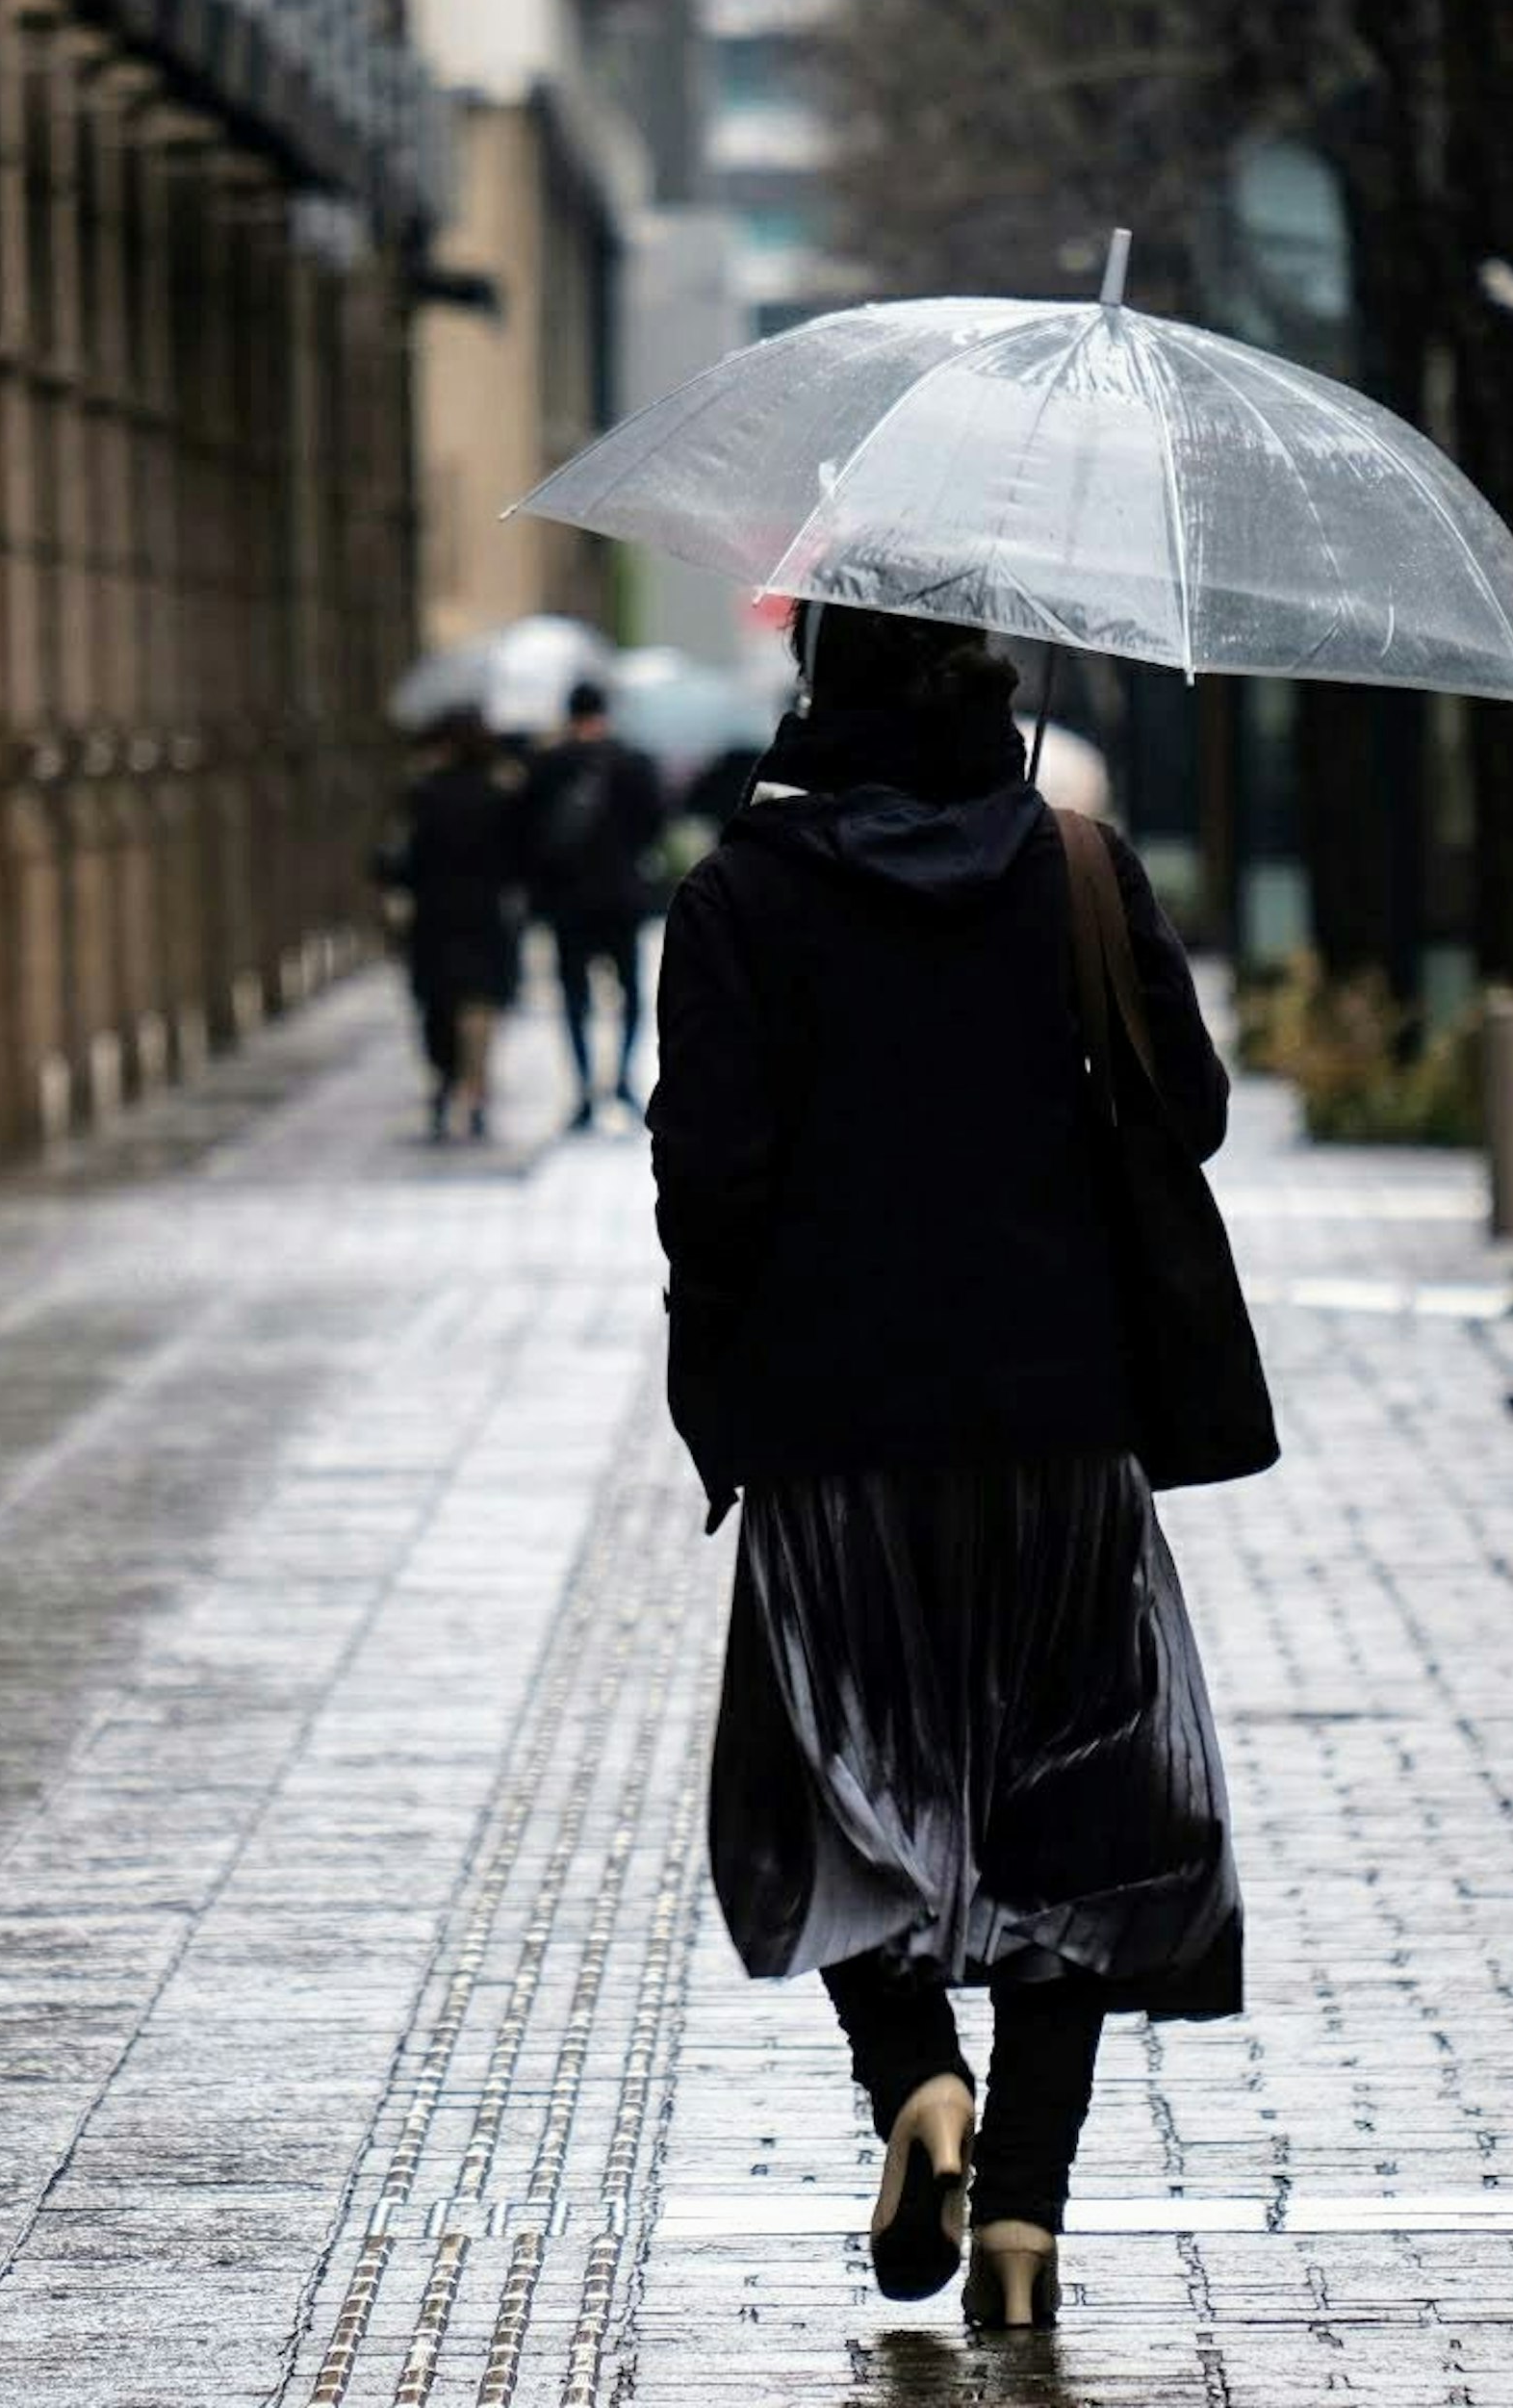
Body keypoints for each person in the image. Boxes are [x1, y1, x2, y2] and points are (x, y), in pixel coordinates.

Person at [650, 603, 1245, 2332]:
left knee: (853, 1796)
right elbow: (1189, 1111)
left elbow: (709, 1189)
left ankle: (918, 2081)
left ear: (820, 685)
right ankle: (1028, 2222)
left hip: (835, 1442)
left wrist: (736, 1381)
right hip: (1060, 1425)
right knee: (1070, 1814)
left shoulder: (740, 898)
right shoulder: (1074, 866)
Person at [526, 681, 669, 1131]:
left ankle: (586, 1088)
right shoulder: (632, 762)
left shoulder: (547, 765)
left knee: (574, 997)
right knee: (629, 993)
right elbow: (654, 822)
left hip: (568, 901)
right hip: (621, 897)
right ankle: (622, 1079)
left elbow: (527, 834)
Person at [385, 707, 528, 1142]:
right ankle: (476, 1083)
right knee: (480, 1001)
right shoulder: (501, 794)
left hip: (436, 914)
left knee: (439, 1002)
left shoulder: (425, 793)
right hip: (486, 912)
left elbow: (402, 859)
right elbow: (520, 856)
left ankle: (446, 1079)